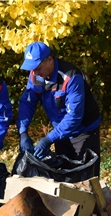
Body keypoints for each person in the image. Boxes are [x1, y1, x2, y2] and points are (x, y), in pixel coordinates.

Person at [17, 42, 102, 176]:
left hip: (84, 131)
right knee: (64, 177)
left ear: (50, 60)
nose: (35, 72)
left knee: (85, 178)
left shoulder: (71, 77)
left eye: (38, 68)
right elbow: (27, 103)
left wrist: (48, 139)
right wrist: (23, 132)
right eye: (32, 69)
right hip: (61, 132)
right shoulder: (36, 75)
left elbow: (74, 116)